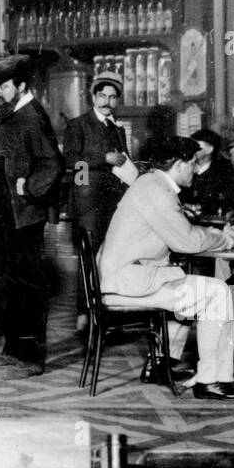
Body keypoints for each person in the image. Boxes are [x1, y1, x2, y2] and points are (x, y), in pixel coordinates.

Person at [97, 135, 234, 400]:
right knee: (218, 292)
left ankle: (161, 365)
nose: (194, 169)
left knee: (195, 287)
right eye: (192, 163)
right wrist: (225, 238)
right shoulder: (156, 190)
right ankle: (212, 380)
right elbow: (187, 240)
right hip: (127, 281)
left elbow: (184, 230)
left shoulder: (151, 184)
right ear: (179, 165)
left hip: (126, 276)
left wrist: (212, 232)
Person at [0, 54, 63, 377]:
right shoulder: (16, 113)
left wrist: (28, 189)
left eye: (3, 86)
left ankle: (30, 358)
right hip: (9, 213)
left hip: (23, 214)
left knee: (28, 284)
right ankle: (15, 349)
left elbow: (53, 164)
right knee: (13, 281)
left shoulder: (32, 117)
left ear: (22, 85)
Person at [63, 71, 139, 335]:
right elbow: (71, 161)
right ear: (94, 96)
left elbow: (123, 162)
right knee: (89, 259)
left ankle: (102, 312)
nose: (107, 101)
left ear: (117, 100)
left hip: (114, 204)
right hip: (87, 204)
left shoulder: (117, 129)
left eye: (112, 97)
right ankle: (84, 313)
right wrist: (102, 158)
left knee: (110, 257)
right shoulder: (78, 124)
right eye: (102, 95)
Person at [179, 129, 234, 215]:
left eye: (196, 145)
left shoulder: (224, 170)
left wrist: (197, 207)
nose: (191, 149)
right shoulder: (184, 167)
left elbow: (229, 201)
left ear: (209, 150)